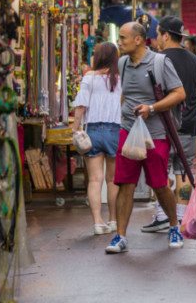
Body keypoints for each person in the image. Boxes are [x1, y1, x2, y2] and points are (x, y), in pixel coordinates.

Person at [106, 22, 187, 254]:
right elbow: (126, 94)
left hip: (156, 134)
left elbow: (180, 94)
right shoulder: (122, 63)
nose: (119, 42)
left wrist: (151, 108)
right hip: (128, 130)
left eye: (123, 38)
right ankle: (120, 236)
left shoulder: (160, 62)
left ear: (138, 40)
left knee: (159, 184)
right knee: (125, 183)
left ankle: (174, 226)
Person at [141, 17, 196, 233]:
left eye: (159, 34)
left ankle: (163, 216)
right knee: (185, 169)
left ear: (166, 35)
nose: (157, 38)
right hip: (189, 125)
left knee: (161, 171)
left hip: (161, 125)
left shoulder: (156, 60)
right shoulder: (194, 60)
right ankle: (180, 217)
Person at [71, 42, 121, 235]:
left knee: (94, 180)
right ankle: (114, 220)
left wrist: (75, 130)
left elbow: (81, 106)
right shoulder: (121, 77)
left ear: (98, 57)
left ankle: (98, 222)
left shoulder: (89, 78)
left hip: (93, 131)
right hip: (115, 131)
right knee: (112, 180)